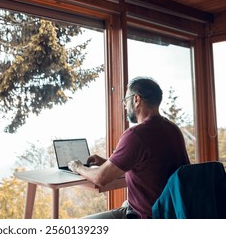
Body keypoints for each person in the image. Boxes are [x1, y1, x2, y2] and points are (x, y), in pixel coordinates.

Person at [68, 77, 190, 219]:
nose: (125, 106)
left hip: (145, 215)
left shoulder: (137, 135)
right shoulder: (172, 129)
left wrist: (77, 167)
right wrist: (106, 162)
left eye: (125, 100)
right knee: (125, 203)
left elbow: (100, 178)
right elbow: (150, 168)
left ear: (136, 99)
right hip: (172, 212)